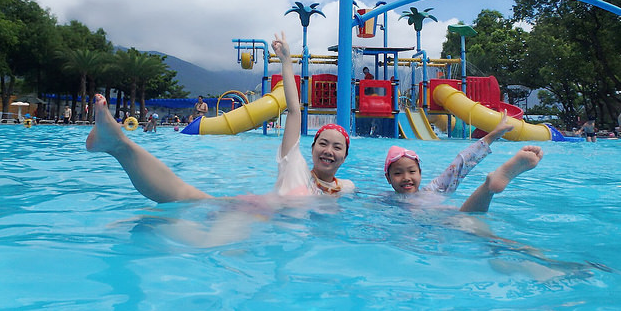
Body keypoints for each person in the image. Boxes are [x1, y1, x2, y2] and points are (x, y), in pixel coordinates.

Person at [85, 32, 353, 203]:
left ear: (345, 156)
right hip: (258, 216)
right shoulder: (294, 165)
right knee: (183, 196)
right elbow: (294, 111)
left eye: (336, 146)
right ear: (313, 147)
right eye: (323, 143)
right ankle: (119, 145)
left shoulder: (345, 189)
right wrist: (286, 62)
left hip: (272, 229)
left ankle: (117, 146)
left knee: (187, 201)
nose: (328, 150)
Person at [383, 112, 543, 213]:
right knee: (485, 234)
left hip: (442, 220)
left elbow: (461, 162)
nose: (406, 177)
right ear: (388, 178)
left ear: (420, 173)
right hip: (450, 215)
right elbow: (461, 163)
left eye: (412, 171)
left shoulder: (432, 189)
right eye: (398, 173)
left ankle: (490, 185)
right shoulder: (433, 190)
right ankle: (488, 187)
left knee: (470, 223)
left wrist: (493, 134)